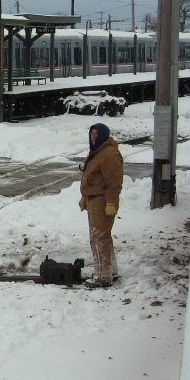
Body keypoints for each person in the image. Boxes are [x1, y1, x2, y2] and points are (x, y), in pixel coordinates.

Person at [78, 122, 123, 288]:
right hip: (93, 198)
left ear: (104, 135)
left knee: (98, 238)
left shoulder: (109, 154)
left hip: (102, 199)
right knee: (102, 237)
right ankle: (111, 270)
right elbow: (93, 178)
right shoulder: (98, 152)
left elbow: (114, 182)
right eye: (92, 134)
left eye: (97, 134)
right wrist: (85, 197)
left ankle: (103, 276)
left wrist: (111, 202)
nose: (94, 137)